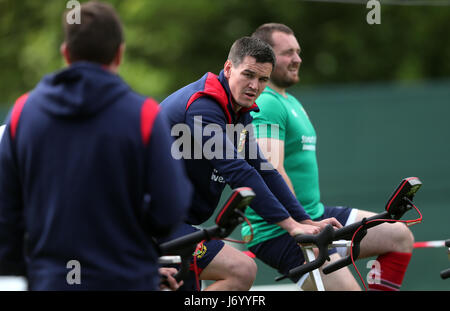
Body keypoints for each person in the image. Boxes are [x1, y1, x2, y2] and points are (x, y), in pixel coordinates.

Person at [0, 1, 191, 291]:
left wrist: (30, 272)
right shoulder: (143, 115)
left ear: (65, 53)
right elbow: (170, 208)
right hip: (125, 279)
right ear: (119, 53)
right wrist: (138, 251)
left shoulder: (22, 114)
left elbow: (6, 214)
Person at [158, 36, 342, 291]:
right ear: (228, 68)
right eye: (248, 75)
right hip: (147, 221)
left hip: (172, 222)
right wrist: (291, 226)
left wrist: (304, 220)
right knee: (241, 270)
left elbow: (262, 169)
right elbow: (238, 171)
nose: (254, 86)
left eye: (263, 79)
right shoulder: (203, 105)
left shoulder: (238, 111)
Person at [241, 23, 415, 291]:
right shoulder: (267, 103)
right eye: (288, 53)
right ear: (266, 57)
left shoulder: (288, 101)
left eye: (298, 52)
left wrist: (310, 219)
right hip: (281, 231)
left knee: (398, 235)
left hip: (315, 216)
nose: (298, 59)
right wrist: (299, 224)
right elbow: (270, 169)